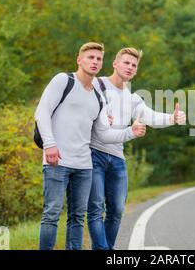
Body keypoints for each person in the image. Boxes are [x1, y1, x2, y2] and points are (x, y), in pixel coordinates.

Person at [34, 42, 146, 250]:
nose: (95, 62)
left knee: (77, 217)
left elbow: (103, 133)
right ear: (79, 59)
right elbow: (41, 112)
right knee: (52, 214)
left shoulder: (97, 96)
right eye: (90, 57)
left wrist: (131, 131)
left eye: (98, 59)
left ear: (103, 63)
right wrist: (49, 144)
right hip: (57, 160)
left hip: (85, 165)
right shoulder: (63, 81)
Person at [87, 47, 186, 250]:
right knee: (96, 209)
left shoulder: (132, 98)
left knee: (116, 210)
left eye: (134, 65)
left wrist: (172, 118)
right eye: (126, 63)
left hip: (116, 158)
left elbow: (150, 116)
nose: (130, 67)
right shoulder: (97, 84)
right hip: (93, 154)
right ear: (115, 64)